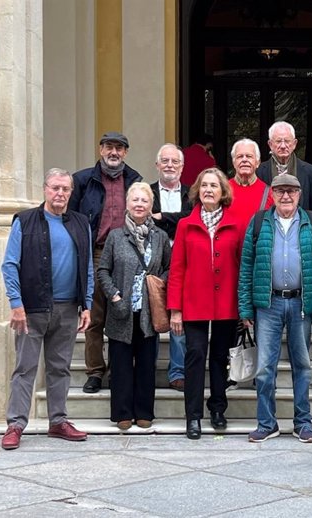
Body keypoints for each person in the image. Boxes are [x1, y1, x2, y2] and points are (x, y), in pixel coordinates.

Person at [0, 168, 94, 450]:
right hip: (32, 309)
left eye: (65, 189)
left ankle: (58, 421)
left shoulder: (80, 223)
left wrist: (86, 304)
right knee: (25, 368)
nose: (60, 194)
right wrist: (16, 304)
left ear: (71, 192)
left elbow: (87, 266)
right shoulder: (25, 221)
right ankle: (15, 424)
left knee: (60, 368)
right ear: (45, 189)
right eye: (55, 188)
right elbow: (10, 264)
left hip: (68, 308)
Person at [238, 173, 312, 443]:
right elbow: (246, 267)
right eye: (280, 190)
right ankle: (267, 423)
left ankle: (303, 423)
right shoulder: (258, 223)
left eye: (291, 191)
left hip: (301, 304)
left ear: (299, 194)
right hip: (267, 304)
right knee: (265, 368)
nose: (286, 196)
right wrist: (245, 308)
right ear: (272, 194)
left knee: (302, 366)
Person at [168, 168, 242, 440]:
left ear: (223, 192)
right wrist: (175, 309)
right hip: (194, 304)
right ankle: (193, 416)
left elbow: (242, 267)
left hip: (226, 304)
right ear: (197, 191)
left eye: (214, 185)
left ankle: (218, 409)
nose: (209, 189)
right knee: (195, 356)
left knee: (221, 358)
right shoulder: (185, 225)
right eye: (204, 185)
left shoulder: (236, 223)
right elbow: (176, 270)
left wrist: (244, 308)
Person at [69, 132, 142, 394]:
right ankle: (96, 371)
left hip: (127, 253)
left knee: (122, 314)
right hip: (96, 252)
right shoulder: (83, 180)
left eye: (119, 148)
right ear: (100, 149)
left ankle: (118, 370)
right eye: (109, 147)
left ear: (125, 153)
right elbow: (73, 220)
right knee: (95, 315)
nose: (114, 152)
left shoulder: (134, 180)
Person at [97, 182, 171, 430]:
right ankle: (122, 413)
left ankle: (144, 412)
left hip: (149, 312)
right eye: (135, 200)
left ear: (151, 206)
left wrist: (159, 283)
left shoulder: (160, 238)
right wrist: (114, 296)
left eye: (145, 201)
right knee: (120, 365)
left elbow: (170, 268)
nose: (140, 204)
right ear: (128, 204)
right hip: (122, 311)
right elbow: (103, 270)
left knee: (146, 365)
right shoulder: (116, 236)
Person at [150, 143, 192, 392]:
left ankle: (177, 371)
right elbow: (144, 215)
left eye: (174, 161)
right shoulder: (148, 191)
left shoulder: (191, 193)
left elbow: (189, 218)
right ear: (157, 165)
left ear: (182, 167)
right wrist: (175, 219)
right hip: (153, 260)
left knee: (179, 317)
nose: (169, 166)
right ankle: (149, 368)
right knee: (151, 316)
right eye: (165, 161)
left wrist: (163, 217)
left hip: (183, 260)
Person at [256, 121, 312, 211]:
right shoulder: (259, 172)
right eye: (278, 141)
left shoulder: (311, 172)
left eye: (287, 141)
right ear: (270, 144)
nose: (283, 146)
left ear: (294, 144)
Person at [228, 138, 273, 237]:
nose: (244, 160)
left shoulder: (269, 193)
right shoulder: (222, 190)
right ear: (234, 162)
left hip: (255, 251)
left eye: (249, 156)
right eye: (240, 156)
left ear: (257, 162)